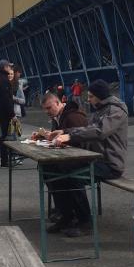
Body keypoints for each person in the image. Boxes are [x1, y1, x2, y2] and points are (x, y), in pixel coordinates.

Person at [54, 79, 129, 233]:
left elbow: (100, 131)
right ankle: (67, 216)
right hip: (97, 159)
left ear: (100, 96)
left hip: (110, 164)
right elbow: (87, 128)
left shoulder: (116, 111)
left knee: (73, 177)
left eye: (91, 96)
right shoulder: (100, 110)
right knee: (59, 170)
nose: (88, 99)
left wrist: (70, 137)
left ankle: (85, 222)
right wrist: (65, 132)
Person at [32, 92, 89, 236]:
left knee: (67, 175)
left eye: (49, 108)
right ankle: (65, 214)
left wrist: (61, 140)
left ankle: (83, 219)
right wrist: (43, 136)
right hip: (68, 159)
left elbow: (81, 140)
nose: (47, 112)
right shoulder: (58, 117)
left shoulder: (74, 116)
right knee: (47, 168)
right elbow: (58, 138)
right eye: (45, 109)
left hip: (82, 160)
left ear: (58, 103)